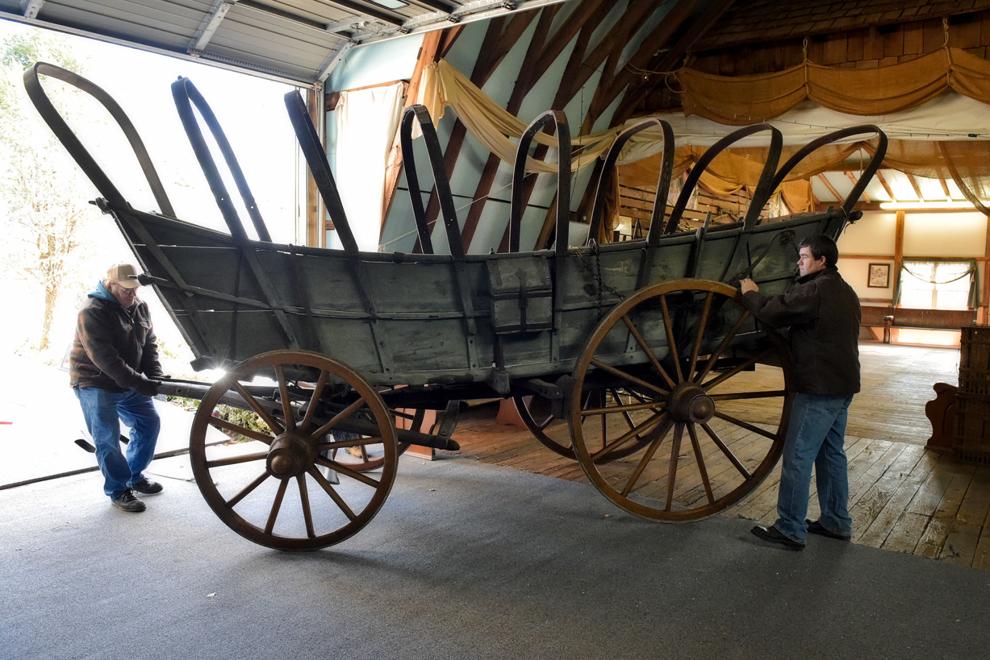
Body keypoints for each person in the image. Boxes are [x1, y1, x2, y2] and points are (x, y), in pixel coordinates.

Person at [739, 235, 861, 551]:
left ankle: (791, 528)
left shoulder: (815, 290)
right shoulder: (845, 290)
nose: (799, 262)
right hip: (842, 385)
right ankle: (836, 521)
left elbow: (774, 311)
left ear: (822, 261)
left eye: (805, 257)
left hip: (818, 387)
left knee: (798, 455)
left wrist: (750, 293)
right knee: (831, 454)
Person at [70, 263, 165, 513]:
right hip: (95, 382)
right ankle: (118, 490)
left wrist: (155, 375)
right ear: (111, 285)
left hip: (127, 379)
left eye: (135, 290)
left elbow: (149, 344)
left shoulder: (139, 306)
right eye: (126, 291)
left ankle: (133, 476)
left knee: (149, 422)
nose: (132, 295)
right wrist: (140, 382)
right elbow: (106, 359)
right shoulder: (91, 312)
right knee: (107, 438)